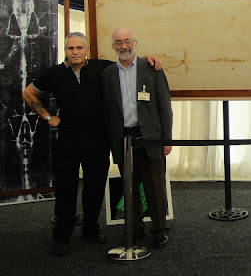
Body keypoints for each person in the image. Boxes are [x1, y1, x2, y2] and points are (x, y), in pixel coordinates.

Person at [22, 31, 162, 256]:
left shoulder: (102, 68)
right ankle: (62, 236)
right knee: (66, 190)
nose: (75, 52)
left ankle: (90, 230)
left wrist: (149, 58)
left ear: (86, 50)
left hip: (98, 140)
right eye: (70, 48)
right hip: (68, 140)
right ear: (65, 50)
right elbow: (28, 94)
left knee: (95, 189)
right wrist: (49, 118)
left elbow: (127, 60)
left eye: (79, 48)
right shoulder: (55, 73)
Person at [101, 27, 173, 249]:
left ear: (135, 43)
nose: (124, 46)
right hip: (124, 140)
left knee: (155, 187)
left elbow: (164, 106)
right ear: (113, 46)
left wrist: (166, 139)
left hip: (150, 138)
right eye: (118, 42)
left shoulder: (151, 68)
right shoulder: (106, 75)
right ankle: (135, 229)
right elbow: (106, 111)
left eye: (127, 41)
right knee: (129, 188)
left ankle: (160, 230)